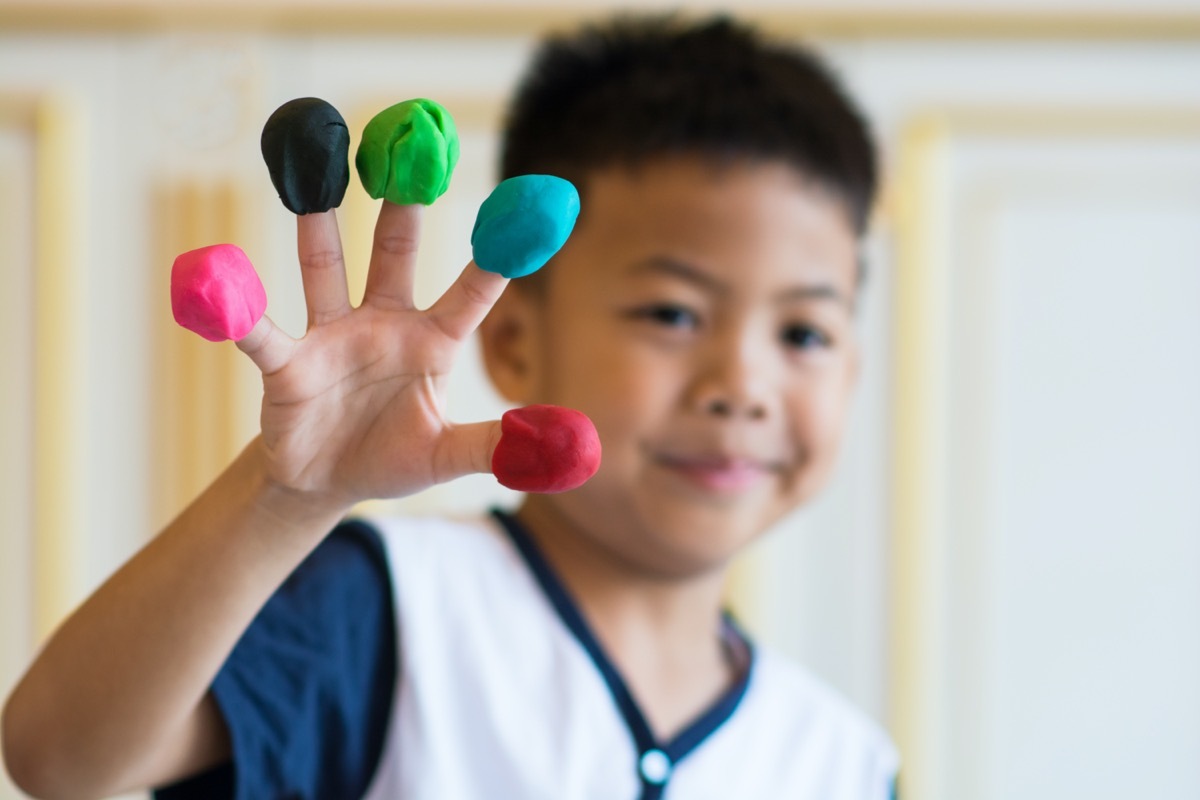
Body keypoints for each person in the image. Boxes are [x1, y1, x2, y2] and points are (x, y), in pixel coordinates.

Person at [2, 13, 898, 800]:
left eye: (805, 332)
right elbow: (59, 754)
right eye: (672, 313)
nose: (741, 386)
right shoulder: (386, 609)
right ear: (514, 344)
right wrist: (288, 496)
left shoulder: (844, 762)